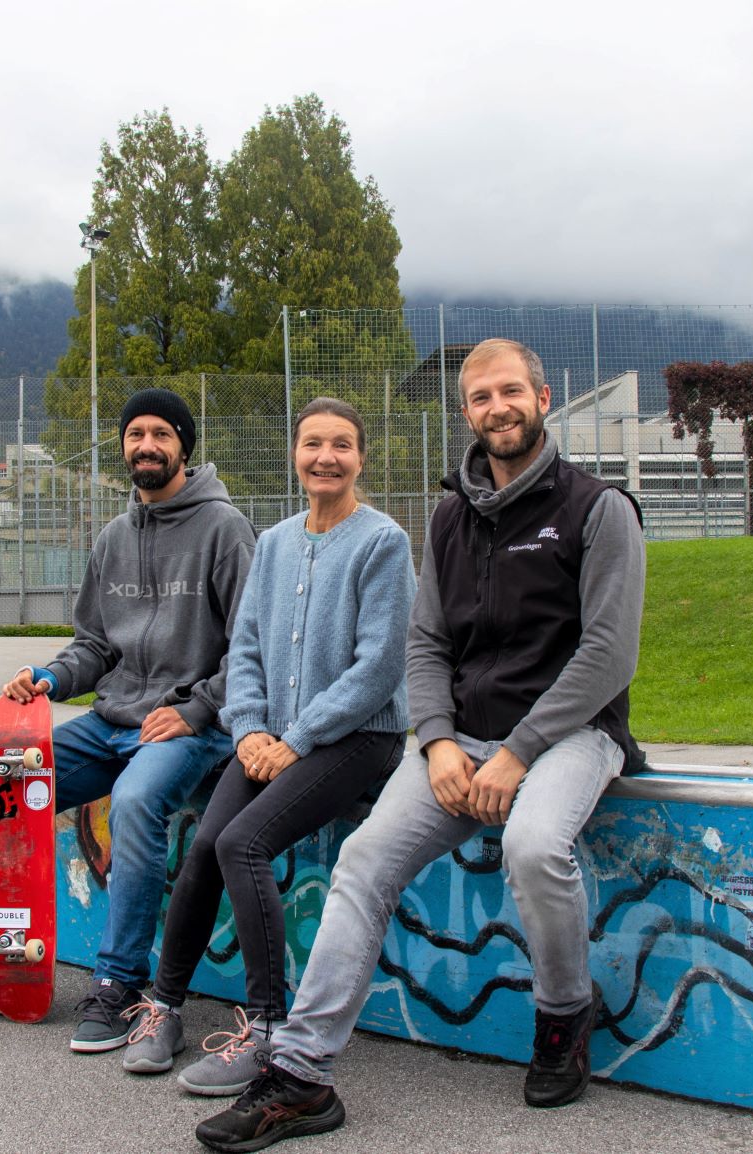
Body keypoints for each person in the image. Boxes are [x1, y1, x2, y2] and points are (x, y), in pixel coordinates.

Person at [196, 339, 646, 1151]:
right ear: (466, 411)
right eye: (480, 397)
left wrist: (517, 752)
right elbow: (427, 644)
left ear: (543, 398)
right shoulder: (449, 516)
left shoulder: (598, 508)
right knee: (362, 865)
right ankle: (300, 1077)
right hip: (459, 738)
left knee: (536, 846)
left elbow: (609, 655)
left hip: (573, 733)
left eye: (511, 391)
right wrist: (438, 741)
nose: (497, 407)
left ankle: (564, 1014)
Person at [0, 388, 255, 1054]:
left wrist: (193, 710)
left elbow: (251, 648)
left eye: (162, 434)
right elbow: (95, 646)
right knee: (11, 783)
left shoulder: (225, 530)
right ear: (124, 447)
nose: (147, 446)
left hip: (191, 726)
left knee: (134, 802)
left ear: (184, 446)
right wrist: (47, 679)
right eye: (136, 435)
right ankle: (3, 957)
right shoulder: (114, 537)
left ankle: (120, 983)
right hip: (112, 719)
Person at [118, 397, 415, 1098]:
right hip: (270, 738)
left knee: (241, 844)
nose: (326, 457)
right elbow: (244, 646)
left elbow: (378, 668)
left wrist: (297, 739)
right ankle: (162, 1007)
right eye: (313, 443)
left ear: (360, 458)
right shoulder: (276, 541)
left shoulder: (382, 542)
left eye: (342, 445)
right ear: (295, 453)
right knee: (204, 844)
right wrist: (249, 728)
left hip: (358, 739)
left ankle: (268, 1029)